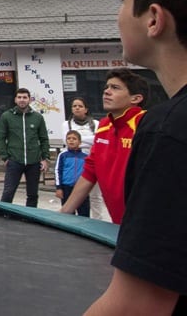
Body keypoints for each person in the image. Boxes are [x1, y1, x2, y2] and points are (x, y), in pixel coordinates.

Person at [84, 0, 187, 313]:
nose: (118, 15)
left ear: (154, 19)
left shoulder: (169, 130)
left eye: (123, 0)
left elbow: (137, 305)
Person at [59, 68, 148, 224]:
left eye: (115, 88)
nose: (106, 92)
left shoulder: (146, 124)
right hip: (119, 224)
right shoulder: (104, 125)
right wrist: (64, 212)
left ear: (136, 98)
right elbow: (90, 172)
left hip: (146, 224)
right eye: (106, 87)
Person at [0, 87, 49, 207]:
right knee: (8, 192)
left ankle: (30, 218)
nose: (22, 100)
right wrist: (5, 157)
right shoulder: (7, 116)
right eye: (19, 97)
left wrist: (45, 158)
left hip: (34, 162)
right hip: (14, 161)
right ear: (15, 99)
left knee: (33, 194)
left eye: (25, 97)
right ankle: (4, 214)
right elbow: (0, 138)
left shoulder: (37, 117)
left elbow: (44, 139)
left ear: (29, 99)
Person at [65, 95, 109, 221]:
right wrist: (87, 140)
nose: (77, 108)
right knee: (76, 194)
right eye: (74, 106)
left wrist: (77, 138)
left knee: (96, 196)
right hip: (74, 163)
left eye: (80, 106)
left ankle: (98, 220)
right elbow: (66, 141)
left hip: (93, 161)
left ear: (86, 109)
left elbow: (98, 140)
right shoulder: (66, 124)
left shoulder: (96, 123)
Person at [54, 130, 90, 217]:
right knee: (68, 214)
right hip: (66, 188)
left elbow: (88, 172)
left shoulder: (85, 156)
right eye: (68, 138)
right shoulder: (63, 155)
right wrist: (59, 188)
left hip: (81, 188)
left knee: (84, 213)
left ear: (80, 142)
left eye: (74, 139)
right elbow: (57, 171)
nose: (71, 140)